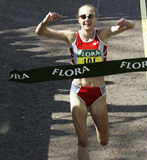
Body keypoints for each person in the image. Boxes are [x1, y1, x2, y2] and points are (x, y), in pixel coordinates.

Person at [35, 4, 135, 160]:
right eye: (83, 16)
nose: (87, 19)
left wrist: (126, 22)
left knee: (103, 141)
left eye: (90, 16)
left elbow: (131, 26)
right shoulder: (71, 36)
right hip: (78, 93)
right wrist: (45, 21)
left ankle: (96, 122)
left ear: (95, 19)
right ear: (78, 19)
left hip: (98, 94)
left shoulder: (102, 35)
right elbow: (40, 32)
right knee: (82, 141)